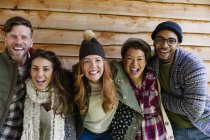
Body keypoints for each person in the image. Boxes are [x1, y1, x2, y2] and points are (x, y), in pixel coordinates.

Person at [150, 21, 210, 139]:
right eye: (160, 39)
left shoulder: (192, 64)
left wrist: (160, 97)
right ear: (154, 42)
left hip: (204, 127)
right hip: (176, 129)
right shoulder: (151, 61)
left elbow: (194, 109)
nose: (164, 45)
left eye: (171, 41)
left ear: (178, 44)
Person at [110, 38, 174, 140]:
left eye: (139, 59)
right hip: (131, 134)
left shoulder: (154, 77)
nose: (134, 64)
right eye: (129, 58)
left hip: (157, 133)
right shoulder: (118, 79)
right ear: (123, 60)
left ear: (145, 62)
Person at [21, 49, 76, 140]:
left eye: (46, 69)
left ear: (53, 72)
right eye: (35, 68)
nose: (39, 74)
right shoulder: (25, 92)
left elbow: (71, 134)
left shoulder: (65, 95)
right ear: (30, 71)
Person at [74, 30, 118, 140]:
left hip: (109, 132)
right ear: (81, 67)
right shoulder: (75, 85)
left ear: (104, 64)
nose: (93, 66)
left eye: (97, 60)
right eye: (87, 61)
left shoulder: (117, 79)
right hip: (86, 132)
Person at [0, 16, 33, 139]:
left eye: (24, 37)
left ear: (31, 41)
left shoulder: (38, 66)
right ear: (5, 40)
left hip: (28, 134)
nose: (19, 41)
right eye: (13, 36)